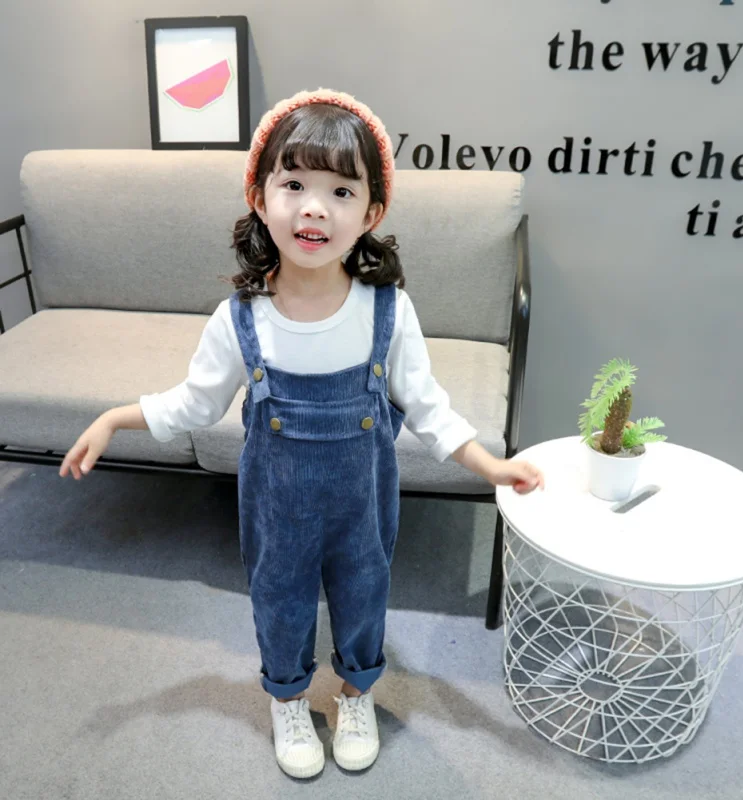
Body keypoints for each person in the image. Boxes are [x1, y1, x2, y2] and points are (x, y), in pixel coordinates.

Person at [58, 88, 545, 779]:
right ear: (259, 197)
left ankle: (355, 694)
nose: (314, 207)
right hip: (276, 511)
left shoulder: (387, 310)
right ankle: (287, 699)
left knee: (363, 598)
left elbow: (428, 407)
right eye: (294, 185)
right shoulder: (240, 319)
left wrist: (491, 466)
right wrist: (114, 418)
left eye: (341, 191)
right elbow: (195, 403)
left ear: (371, 213)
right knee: (281, 604)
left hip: (362, 508)